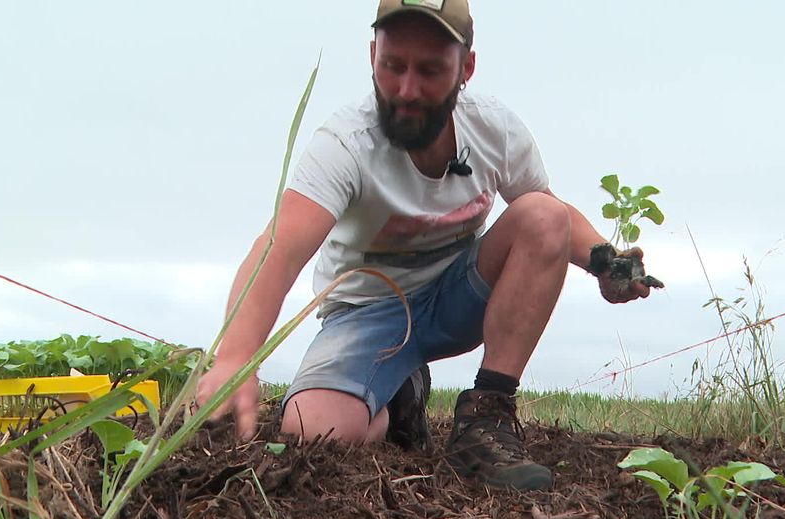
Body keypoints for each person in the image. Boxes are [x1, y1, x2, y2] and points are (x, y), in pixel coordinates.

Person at [196, 0, 652, 491]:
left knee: (542, 215)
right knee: (314, 430)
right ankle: (398, 397)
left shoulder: (493, 129)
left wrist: (606, 262)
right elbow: (278, 248)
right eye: (393, 66)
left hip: (460, 297)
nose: (407, 90)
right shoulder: (346, 143)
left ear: (465, 69)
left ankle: (487, 417)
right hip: (367, 313)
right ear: (373, 56)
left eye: (430, 70)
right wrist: (235, 357)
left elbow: (548, 213)